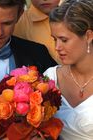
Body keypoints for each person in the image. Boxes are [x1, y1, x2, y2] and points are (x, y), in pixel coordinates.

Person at [43, 0, 93, 139]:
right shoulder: (50, 78)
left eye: (64, 40)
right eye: (55, 39)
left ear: (88, 36)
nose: (57, 47)